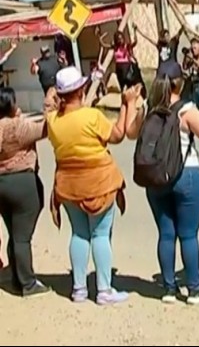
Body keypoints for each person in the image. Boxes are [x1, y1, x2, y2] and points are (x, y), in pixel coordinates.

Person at [125, 61, 199, 305]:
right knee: (188, 235)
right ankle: (194, 289)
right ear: (180, 83)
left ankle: (169, 288)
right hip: (187, 176)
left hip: (156, 179)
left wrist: (132, 104)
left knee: (165, 234)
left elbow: (130, 134)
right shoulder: (187, 110)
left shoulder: (149, 110)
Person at [46, 66, 139, 305]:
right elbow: (117, 135)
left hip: (68, 185)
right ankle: (104, 290)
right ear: (80, 89)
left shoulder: (53, 121)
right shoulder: (92, 116)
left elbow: (50, 108)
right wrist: (127, 104)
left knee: (79, 233)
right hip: (99, 182)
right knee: (99, 234)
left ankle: (79, 289)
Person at [0, 86, 52, 297]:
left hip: (2, 183)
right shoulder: (17, 127)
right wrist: (48, 104)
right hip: (22, 182)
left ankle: (16, 277)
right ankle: (28, 283)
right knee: (22, 237)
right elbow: (47, 128)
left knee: (14, 234)